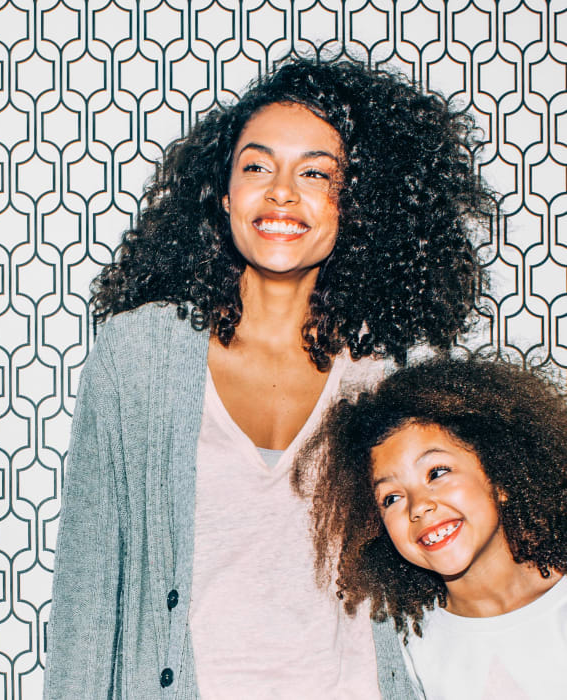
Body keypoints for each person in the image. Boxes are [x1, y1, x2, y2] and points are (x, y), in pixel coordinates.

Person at [43, 57, 493, 699]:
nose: (282, 191)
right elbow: (90, 578)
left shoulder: (393, 366)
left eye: (316, 173)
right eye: (258, 166)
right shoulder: (139, 351)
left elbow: (456, 546)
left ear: (352, 205)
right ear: (225, 193)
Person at [294, 358, 567, 698]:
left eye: (437, 473)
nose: (418, 504)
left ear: (499, 475)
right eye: (391, 497)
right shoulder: (406, 646)